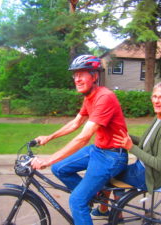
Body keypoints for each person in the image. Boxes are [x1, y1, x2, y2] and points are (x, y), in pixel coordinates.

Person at [31, 55, 128, 225]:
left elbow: (83, 137)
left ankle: (87, 196)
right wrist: (49, 137)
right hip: (98, 150)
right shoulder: (89, 97)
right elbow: (76, 123)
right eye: (75, 75)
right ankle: (95, 194)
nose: (77, 79)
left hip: (112, 156)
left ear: (94, 76)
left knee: (77, 201)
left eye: (82, 74)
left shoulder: (104, 97)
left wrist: (47, 160)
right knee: (60, 169)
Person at [91, 80, 161, 219]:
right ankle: (107, 210)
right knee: (111, 170)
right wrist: (127, 137)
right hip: (144, 169)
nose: (156, 101)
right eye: (155, 96)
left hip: (150, 176)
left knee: (107, 173)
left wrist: (130, 147)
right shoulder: (160, 118)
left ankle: (116, 214)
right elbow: (148, 143)